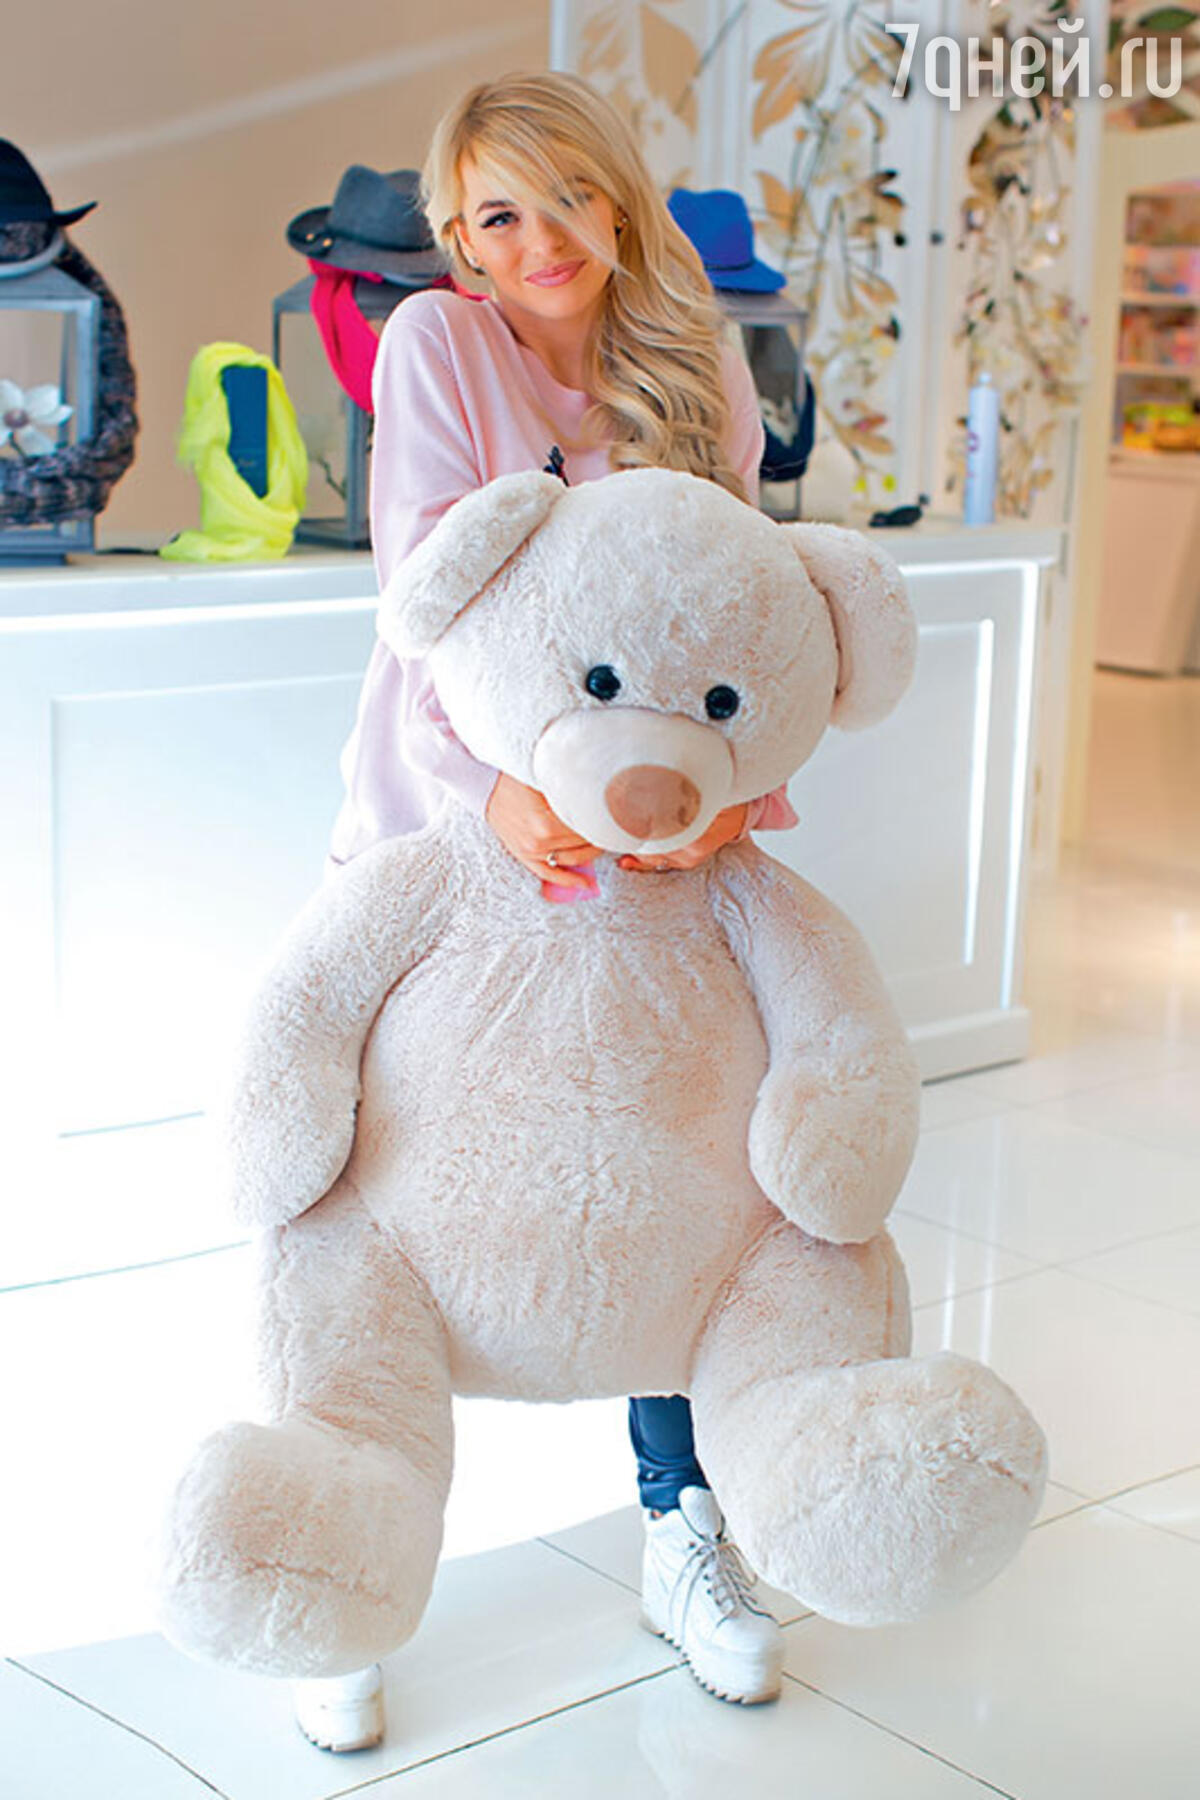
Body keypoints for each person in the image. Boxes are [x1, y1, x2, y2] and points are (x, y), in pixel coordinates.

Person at [296, 71, 794, 1754]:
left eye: (563, 197)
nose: (537, 241)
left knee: (685, 1169)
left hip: (657, 844)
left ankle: (683, 1521)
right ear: (458, 237)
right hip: (459, 829)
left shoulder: (697, 355)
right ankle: (336, 1564)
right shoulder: (441, 344)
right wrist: (501, 790)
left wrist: (723, 792)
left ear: (617, 194)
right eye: (495, 215)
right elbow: (425, 589)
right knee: (380, 1184)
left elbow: (739, 599)